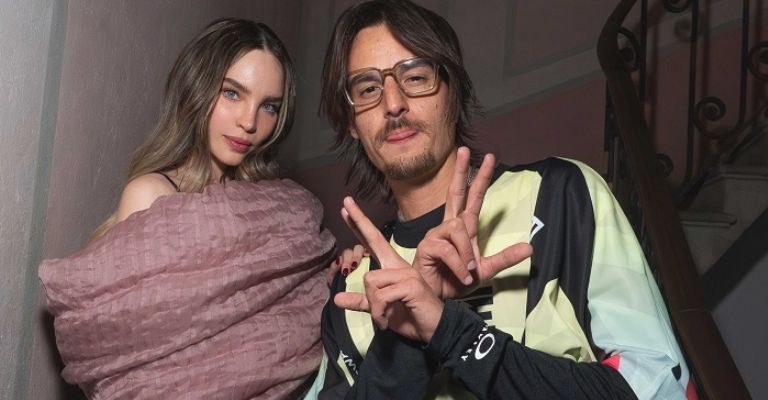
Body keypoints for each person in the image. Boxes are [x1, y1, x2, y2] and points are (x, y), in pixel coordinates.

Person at [311, 1, 694, 399]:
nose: (393, 104)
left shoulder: (559, 198)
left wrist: (453, 332)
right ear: (351, 121)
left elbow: (660, 388)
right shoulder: (351, 286)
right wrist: (403, 342)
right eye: (368, 89)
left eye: (416, 76)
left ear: (454, 92)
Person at [39, 18, 335, 399]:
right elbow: (141, 346)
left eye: (269, 107)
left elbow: (291, 315)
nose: (249, 122)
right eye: (232, 93)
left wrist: (332, 282)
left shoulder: (272, 206)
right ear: (197, 87)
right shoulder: (151, 194)